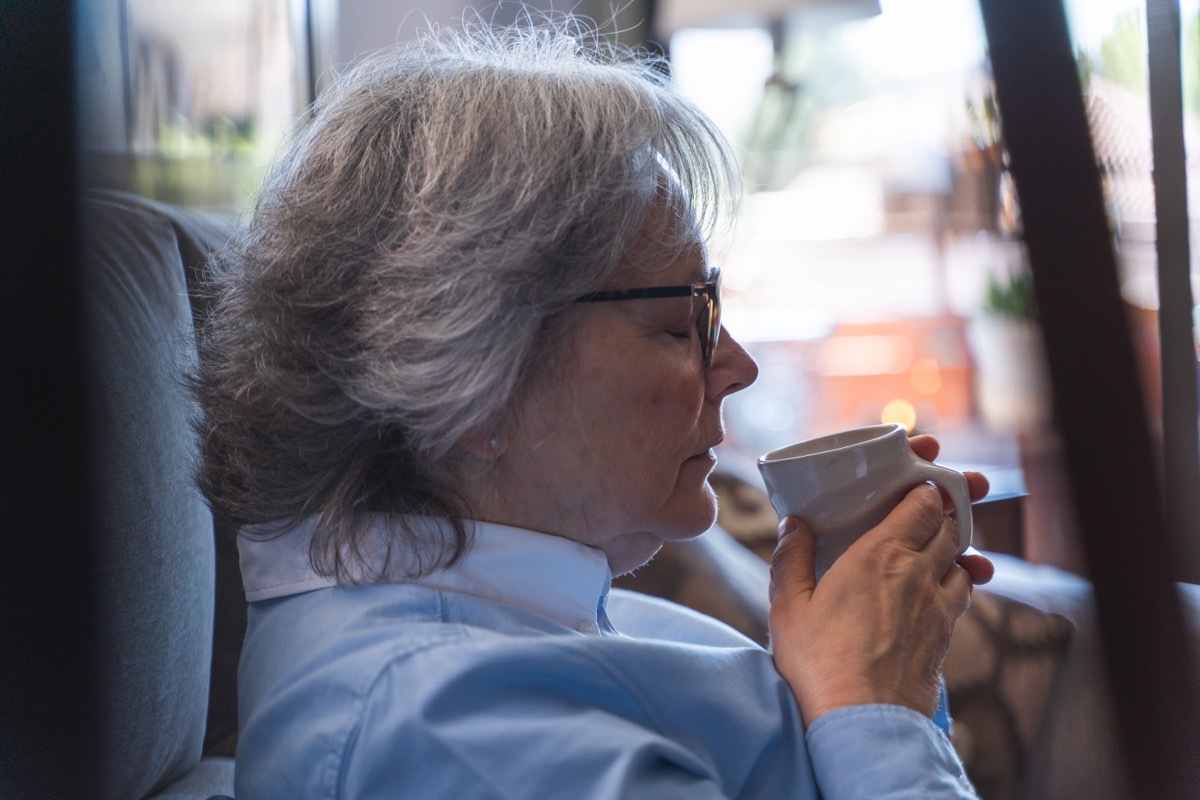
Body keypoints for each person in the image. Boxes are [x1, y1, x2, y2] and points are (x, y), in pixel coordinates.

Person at [193, 18, 994, 799]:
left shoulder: (538, 618)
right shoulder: (454, 733)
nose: (738, 366)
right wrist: (873, 712)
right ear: (475, 381)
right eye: (683, 323)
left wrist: (869, 653)